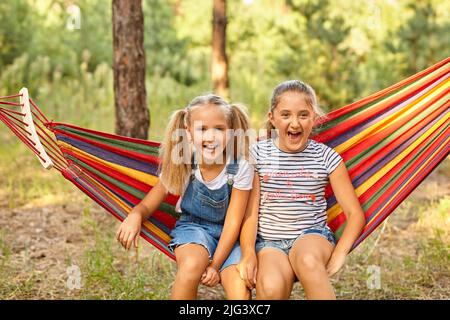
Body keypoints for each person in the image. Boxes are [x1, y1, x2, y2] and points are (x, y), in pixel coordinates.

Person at [116, 94, 254, 300]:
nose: (211, 137)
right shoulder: (183, 163)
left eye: (219, 128)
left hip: (231, 237)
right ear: (188, 132)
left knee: (240, 289)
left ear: (231, 131)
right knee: (191, 267)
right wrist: (135, 215)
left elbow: (234, 223)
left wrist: (216, 265)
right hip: (194, 229)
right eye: (202, 129)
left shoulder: (240, 167)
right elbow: (147, 205)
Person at [237, 80, 366, 300]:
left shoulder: (327, 157)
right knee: (270, 288)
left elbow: (355, 214)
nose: (294, 123)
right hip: (269, 243)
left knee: (307, 260)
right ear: (272, 118)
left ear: (314, 118)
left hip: (311, 236)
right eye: (285, 115)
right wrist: (248, 251)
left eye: (303, 115)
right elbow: (249, 213)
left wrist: (340, 253)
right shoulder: (256, 154)